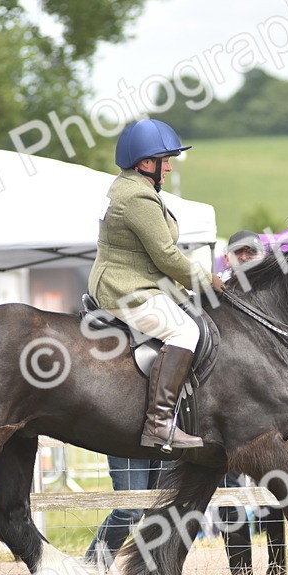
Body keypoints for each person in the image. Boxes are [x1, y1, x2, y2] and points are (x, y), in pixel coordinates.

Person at [88, 118, 223, 451]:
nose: (170, 168)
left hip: (136, 279)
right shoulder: (137, 197)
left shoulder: (131, 186)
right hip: (125, 288)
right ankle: (159, 424)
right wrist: (207, 281)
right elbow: (166, 255)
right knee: (185, 331)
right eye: (165, 160)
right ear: (146, 162)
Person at [215, 230, 288, 575]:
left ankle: (277, 570)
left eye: (252, 253)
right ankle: (240, 574)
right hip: (227, 410)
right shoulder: (216, 294)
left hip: (264, 407)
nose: (245, 258)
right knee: (229, 492)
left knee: (273, 486)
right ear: (226, 258)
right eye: (238, 253)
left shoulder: (276, 296)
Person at [84, 457, 168, 568]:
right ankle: (92, 569)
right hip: (128, 446)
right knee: (129, 512)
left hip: (168, 445)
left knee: (162, 511)